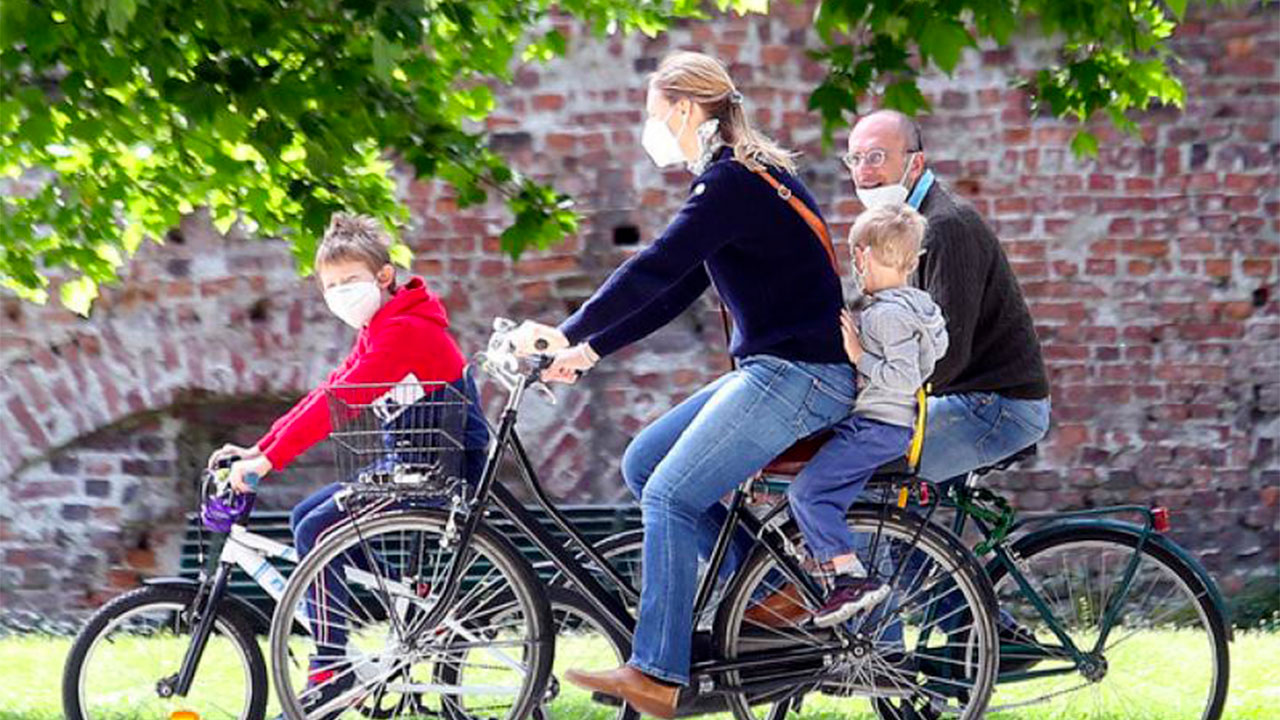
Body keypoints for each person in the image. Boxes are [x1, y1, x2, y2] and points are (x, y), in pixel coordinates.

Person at [512, 51, 854, 718]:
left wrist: (565, 329)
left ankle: (658, 674)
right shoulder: (746, 178)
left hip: (801, 375)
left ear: (687, 109)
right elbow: (679, 288)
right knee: (645, 464)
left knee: (669, 494)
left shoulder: (734, 182)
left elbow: (656, 264)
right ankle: (772, 592)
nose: (653, 130)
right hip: (782, 370)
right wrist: (588, 350)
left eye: (655, 115)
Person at [207, 213, 488, 719]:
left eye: (350, 281)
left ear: (384, 277)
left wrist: (270, 460)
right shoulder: (383, 326)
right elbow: (327, 389)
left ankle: (332, 667)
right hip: (408, 465)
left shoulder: (404, 332)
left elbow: (335, 403)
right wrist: (260, 450)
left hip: (436, 473)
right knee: (305, 522)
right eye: (330, 286)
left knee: (318, 531)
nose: (339, 293)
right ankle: (393, 623)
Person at [843, 109, 1051, 484]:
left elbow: (947, 353)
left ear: (916, 162)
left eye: (876, 157)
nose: (863, 172)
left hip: (993, 404)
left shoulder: (943, 227)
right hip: (969, 396)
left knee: (863, 479)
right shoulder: (906, 227)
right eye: (854, 159)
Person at [787, 203, 947, 628]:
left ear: (862, 256)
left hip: (878, 427)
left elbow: (901, 376)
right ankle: (823, 557)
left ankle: (848, 575)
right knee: (828, 495)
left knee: (806, 493)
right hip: (885, 426)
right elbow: (933, 356)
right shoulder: (916, 308)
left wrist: (859, 356)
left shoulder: (888, 315)